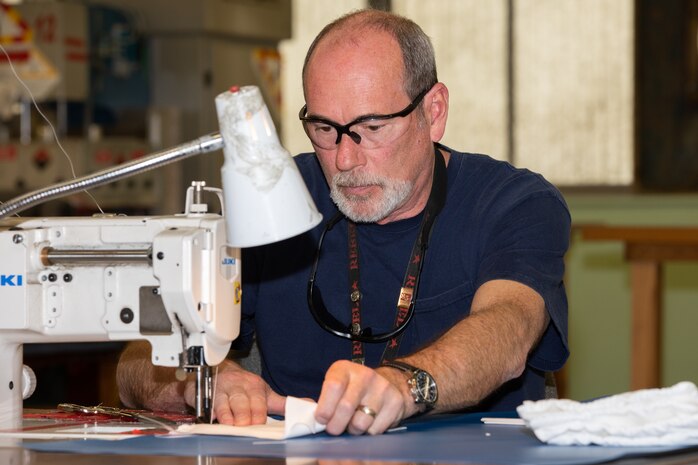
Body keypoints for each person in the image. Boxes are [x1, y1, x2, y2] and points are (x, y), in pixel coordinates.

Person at [117, 8, 570, 436]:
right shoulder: (272, 202)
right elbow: (137, 361)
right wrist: (202, 382)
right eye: (324, 129)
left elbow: (508, 329)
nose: (345, 159)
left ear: (433, 112)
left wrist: (401, 385)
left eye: (372, 128)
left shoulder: (513, 203)